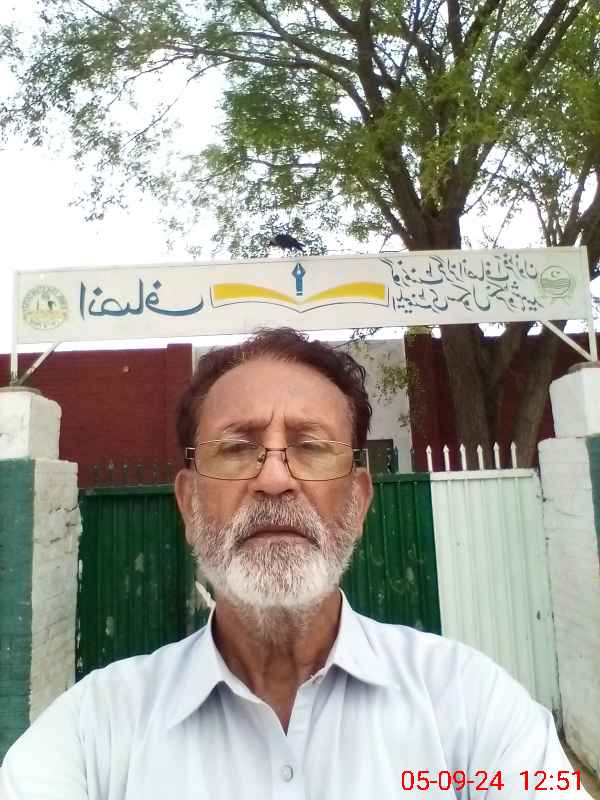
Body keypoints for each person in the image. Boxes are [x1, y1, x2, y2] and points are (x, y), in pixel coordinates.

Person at [1, 327, 591, 799]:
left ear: (359, 501)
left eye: (311, 446)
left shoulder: (474, 707)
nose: (275, 479)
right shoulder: (93, 733)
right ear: (188, 503)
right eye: (237, 448)